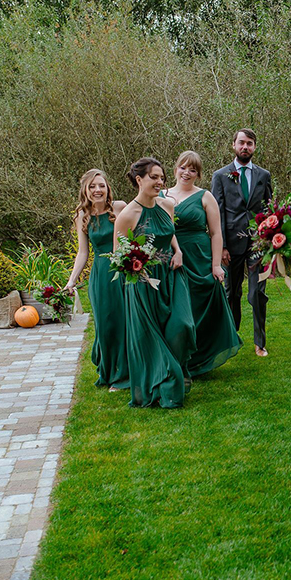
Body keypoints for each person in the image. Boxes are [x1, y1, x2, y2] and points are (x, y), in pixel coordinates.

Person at [114, 157, 196, 407]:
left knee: (183, 325)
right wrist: (139, 271)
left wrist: (178, 251)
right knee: (151, 336)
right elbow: (118, 255)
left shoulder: (167, 205)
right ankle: (164, 385)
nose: (160, 182)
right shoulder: (127, 215)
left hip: (172, 275)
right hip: (144, 282)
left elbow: (169, 233)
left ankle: (172, 375)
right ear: (139, 180)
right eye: (154, 177)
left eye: (161, 177)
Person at [163, 150, 241, 376]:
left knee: (199, 303)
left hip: (199, 256)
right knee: (175, 307)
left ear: (198, 174)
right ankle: (176, 354)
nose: (186, 173)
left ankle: (200, 357)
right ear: (175, 168)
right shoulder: (161, 195)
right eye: (183, 167)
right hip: (171, 257)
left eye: (193, 169)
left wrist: (216, 265)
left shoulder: (205, 196)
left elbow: (216, 233)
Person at [63, 169, 129, 392]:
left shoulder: (120, 207)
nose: (97, 190)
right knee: (105, 323)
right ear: (86, 190)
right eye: (92, 186)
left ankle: (124, 374)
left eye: (101, 185)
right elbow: (83, 253)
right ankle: (110, 371)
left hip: (123, 271)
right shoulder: (82, 215)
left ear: (107, 187)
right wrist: (71, 281)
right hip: (101, 275)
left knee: (124, 321)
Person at [210, 129, 274, 357]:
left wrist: (271, 239)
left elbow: (269, 209)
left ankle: (260, 342)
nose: (245, 147)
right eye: (241, 143)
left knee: (257, 293)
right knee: (232, 293)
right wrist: (222, 247)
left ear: (254, 147)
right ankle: (231, 338)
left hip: (258, 243)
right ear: (233, 145)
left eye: (249, 143)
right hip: (231, 244)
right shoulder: (220, 176)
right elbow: (216, 213)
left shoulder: (263, 175)